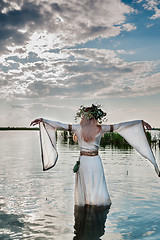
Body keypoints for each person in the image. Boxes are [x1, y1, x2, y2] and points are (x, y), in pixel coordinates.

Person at [30, 104, 159, 207]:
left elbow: (59, 125)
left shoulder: (77, 128)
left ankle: (86, 206)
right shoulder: (100, 128)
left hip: (84, 161)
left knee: (85, 186)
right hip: (95, 161)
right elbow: (121, 126)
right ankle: (96, 207)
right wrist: (139, 123)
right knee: (96, 186)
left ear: (84, 117)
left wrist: (43, 120)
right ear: (95, 117)